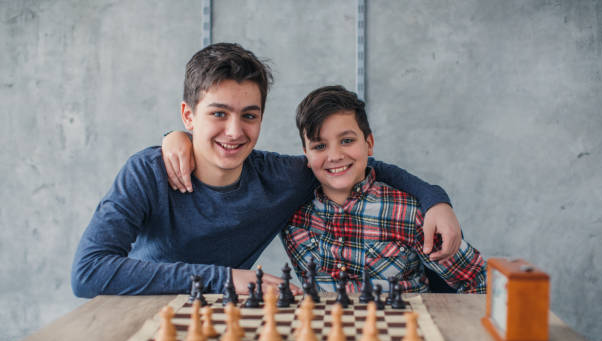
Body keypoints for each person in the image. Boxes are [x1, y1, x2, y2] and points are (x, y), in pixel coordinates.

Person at [71, 43, 461, 298]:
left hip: (215, 324)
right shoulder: (148, 172)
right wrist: (223, 278)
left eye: (249, 115)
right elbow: (88, 273)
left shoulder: (282, 178)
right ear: (188, 115)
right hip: (135, 320)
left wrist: (435, 199)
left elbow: (355, 164)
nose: (234, 131)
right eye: (218, 114)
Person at [280, 85, 486, 293]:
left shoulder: (410, 213)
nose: (334, 156)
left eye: (347, 141)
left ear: (369, 144)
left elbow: (478, 281)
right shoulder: (289, 213)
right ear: (306, 154)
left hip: (406, 323)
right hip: (327, 325)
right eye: (320, 146)